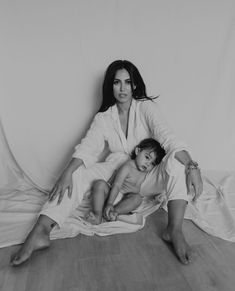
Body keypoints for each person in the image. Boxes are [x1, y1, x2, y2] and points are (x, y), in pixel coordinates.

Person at [11, 60, 203, 266]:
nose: (122, 88)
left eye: (127, 82)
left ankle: (173, 230)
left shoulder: (145, 108)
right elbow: (88, 148)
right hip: (116, 172)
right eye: (117, 82)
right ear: (110, 86)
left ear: (135, 85)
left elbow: (169, 139)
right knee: (76, 173)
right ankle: (41, 230)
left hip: (148, 176)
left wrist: (192, 166)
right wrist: (67, 172)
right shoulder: (104, 117)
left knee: (177, 161)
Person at [86, 138, 166, 225]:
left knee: (137, 199)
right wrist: (109, 203)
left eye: (152, 163)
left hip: (124, 201)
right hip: (111, 194)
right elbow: (116, 185)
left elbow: (148, 188)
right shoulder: (127, 167)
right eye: (147, 157)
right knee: (99, 184)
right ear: (137, 151)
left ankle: (114, 212)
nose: (148, 164)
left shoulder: (145, 173)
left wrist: (154, 198)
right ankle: (97, 214)